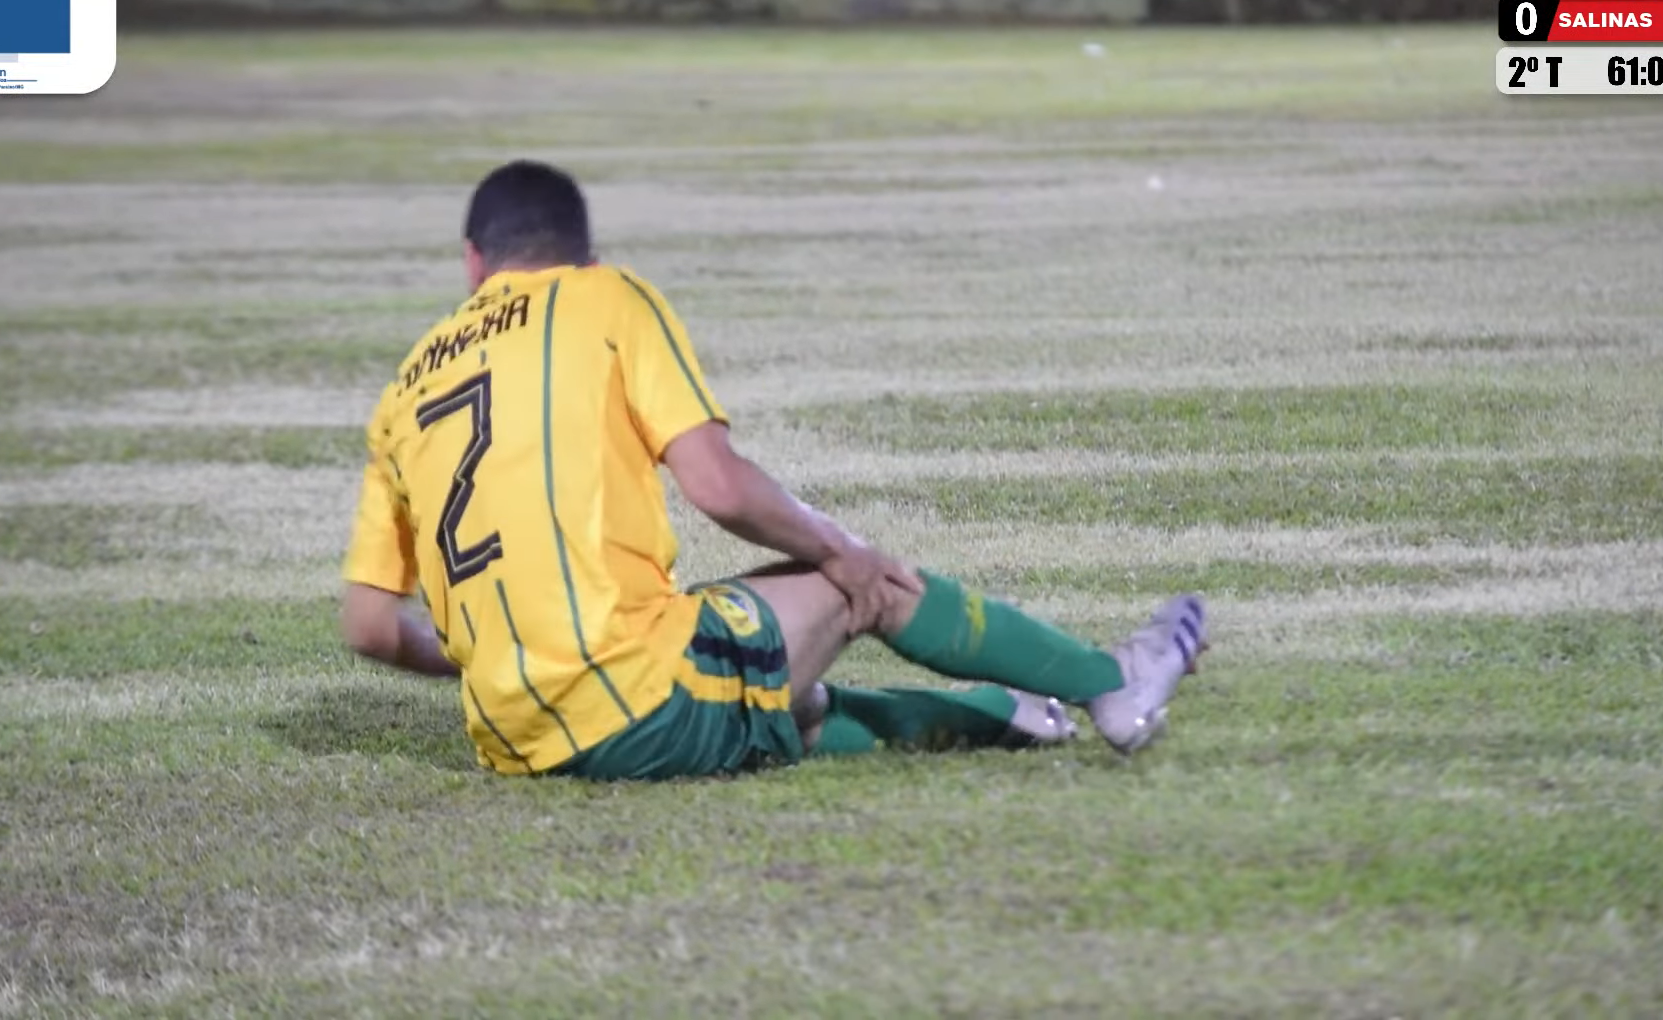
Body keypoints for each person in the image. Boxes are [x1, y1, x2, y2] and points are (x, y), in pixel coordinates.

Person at [339, 160, 1206, 781]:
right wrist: (838, 549)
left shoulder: (403, 389)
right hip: (629, 695)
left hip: (515, 742)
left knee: (776, 691)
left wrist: (508, 657)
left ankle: (1007, 717)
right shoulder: (604, 296)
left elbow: (372, 628)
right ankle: (1112, 683)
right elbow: (717, 485)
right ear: (583, 253)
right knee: (857, 580)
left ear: (472, 262)